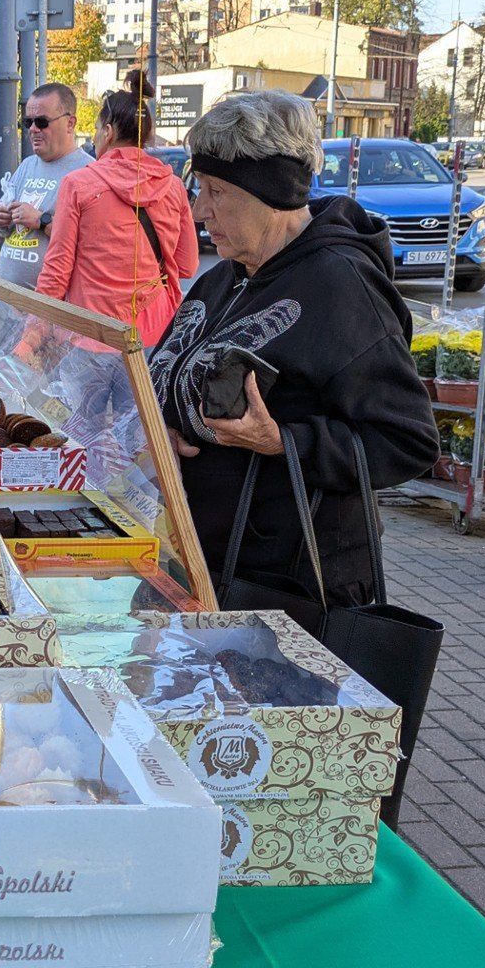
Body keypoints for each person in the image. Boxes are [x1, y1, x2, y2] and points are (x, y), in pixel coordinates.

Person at [151, 89, 437, 607]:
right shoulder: (225, 279)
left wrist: (282, 440)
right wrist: (167, 426)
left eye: (215, 191)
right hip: (201, 563)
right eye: (200, 188)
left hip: (287, 588)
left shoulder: (340, 285)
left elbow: (407, 441)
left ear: (272, 194)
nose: (199, 208)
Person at [36, 71, 193, 346]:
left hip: (90, 335)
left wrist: (31, 336)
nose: (96, 137)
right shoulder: (174, 186)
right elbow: (188, 265)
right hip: (153, 335)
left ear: (107, 133)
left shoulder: (78, 184)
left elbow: (57, 270)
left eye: (97, 130)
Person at [0, 82, 94, 289]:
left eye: (42, 122)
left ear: (70, 123)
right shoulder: (27, 165)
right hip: (13, 305)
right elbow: (5, 233)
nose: (33, 129)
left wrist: (41, 221)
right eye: (28, 122)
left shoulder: (89, 171)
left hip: (52, 308)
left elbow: (92, 245)